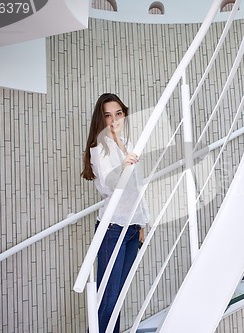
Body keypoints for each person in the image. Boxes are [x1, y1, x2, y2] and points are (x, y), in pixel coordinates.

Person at [81, 93, 148, 333]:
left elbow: (136, 189)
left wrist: (141, 223)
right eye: (107, 115)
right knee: (108, 298)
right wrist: (123, 164)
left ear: (125, 115)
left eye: (118, 114)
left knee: (118, 296)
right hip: (112, 228)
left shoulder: (128, 145)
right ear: (101, 119)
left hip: (131, 227)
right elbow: (109, 186)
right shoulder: (100, 148)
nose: (113, 120)